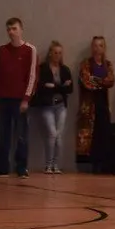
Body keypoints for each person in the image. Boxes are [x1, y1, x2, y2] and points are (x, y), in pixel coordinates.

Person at [0, 18, 37, 177]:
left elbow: (32, 76)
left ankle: (21, 166)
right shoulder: (2, 50)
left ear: (21, 30)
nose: (11, 32)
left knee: (22, 134)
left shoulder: (30, 50)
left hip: (19, 99)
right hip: (3, 97)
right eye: (9, 29)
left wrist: (26, 98)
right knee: (4, 134)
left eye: (14, 29)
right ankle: (2, 166)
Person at [34, 41, 75, 174]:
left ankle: (56, 165)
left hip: (61, 105)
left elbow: (70, 89)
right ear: (50, 53)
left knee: (59, 135)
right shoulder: (43, 68)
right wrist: (61, 86)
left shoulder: (65, 69)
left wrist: (54, 87)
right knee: (51, 134)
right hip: (47, 105)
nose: (57, 55)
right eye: (55, 52)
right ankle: (48, 165)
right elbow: (41, 87)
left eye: (60, 53)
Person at [76, 37, 114, 171]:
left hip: (103, 102)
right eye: (95, 45)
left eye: (101, 45)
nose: (98, 48)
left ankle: (103, 163)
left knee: (103, 132)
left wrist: (97, 81)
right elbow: (86, 81)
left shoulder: (107, 64)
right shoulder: (86, 63)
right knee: (90, 133)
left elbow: (110, 81)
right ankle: (92, 164)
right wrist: (100, 83)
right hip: (90, 104)